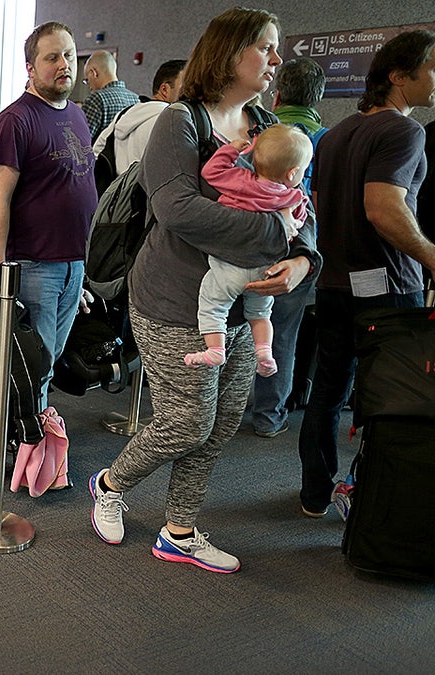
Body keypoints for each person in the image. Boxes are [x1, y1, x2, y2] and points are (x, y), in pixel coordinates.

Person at [87, 7, 316, 573]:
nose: (276, 58)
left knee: (220, 424)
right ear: (229, 52)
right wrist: (276, 236)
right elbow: (177, 209)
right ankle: (111, 483)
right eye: (265, 46)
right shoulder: (181, 122)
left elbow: (299, 202)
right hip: (173, 302)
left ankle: (179, 530)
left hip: (240, 306)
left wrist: (301, 260)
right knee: (187, 421)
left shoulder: (265, 124)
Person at [298, 30, 435, 518]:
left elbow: (317, 205)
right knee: (391, 397)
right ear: (399, 77)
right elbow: (383, 208)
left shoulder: (335, 133)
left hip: (335, 284)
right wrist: (432, 256)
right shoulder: (405, 131)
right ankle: (367, 496)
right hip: (390, 290)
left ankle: (315, 495)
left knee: (328, 390)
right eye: (431, 68)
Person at [0, 22, 97, 410]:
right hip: (33, 266)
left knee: (49, 360)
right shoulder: (14, 121)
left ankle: (33, 430)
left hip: (72, 264)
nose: (64, 64)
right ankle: (27, 439)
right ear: (30, 68)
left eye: (69, 55)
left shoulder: (76, 114)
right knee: (32, 365)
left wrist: (79, 271)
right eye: (52, 58)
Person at [187, 124, 313, 379]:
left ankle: (215, 350)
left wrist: (231, 150)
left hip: (229, 266)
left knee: (212, 305)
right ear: (292, 173)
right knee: (260, 314)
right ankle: (264, 353)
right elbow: (298, 225)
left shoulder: (240, 181)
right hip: (265, 270)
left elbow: (211, 172)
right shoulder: (293, 198)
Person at [250, 56, 328, 437]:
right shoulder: (326, 139)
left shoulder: (261, 133)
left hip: (248, 245)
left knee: (237, 326)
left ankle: (225, 407)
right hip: (297, 252)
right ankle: (269, 416)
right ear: (317, 99)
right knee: (282, 335)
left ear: (277, 95)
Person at [92, 59, 187, 173]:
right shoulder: (171, 120)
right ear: (164, 89)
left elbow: (96, 152)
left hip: (118, 183)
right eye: (184, 87)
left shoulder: (123, 114)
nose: (189, 93)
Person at [81, 50, 141, 140]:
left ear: (94, 73)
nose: (89, 86)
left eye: (87, 80)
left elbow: (81, 140)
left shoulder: (96, 99)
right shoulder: (137, 100)